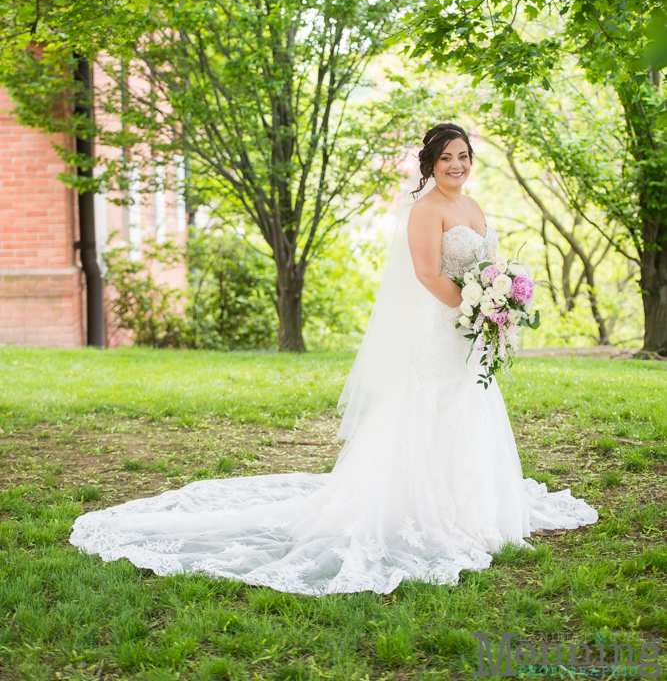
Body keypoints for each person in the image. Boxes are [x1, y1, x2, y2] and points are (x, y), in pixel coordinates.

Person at [70, 122, 597, 594]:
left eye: (463, 156)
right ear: (430, 165)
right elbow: (427, 274)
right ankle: (422, 511)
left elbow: (486, 261)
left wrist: (499, 299)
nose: (456, 166)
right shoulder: (427, 209)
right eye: (446, 159)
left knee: (470, 407)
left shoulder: (472, 206)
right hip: (442, 328)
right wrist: (476, 307)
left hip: (469, 329)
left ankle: (478, 506)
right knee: (430, 409)